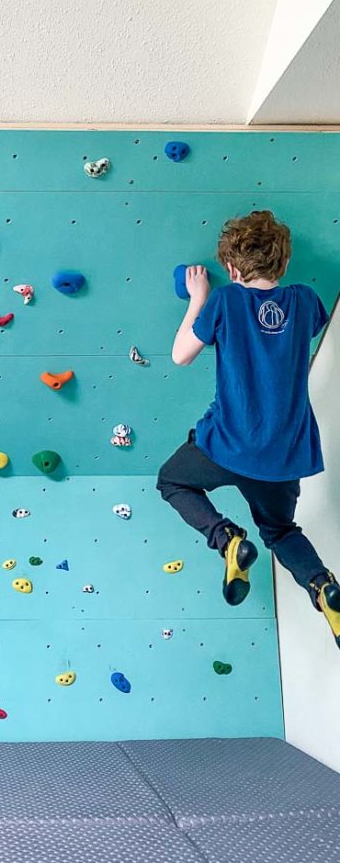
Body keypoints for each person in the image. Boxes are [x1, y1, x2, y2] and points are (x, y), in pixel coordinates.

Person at [156, 209, 340, 648]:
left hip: (228, 447)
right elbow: (302, 328)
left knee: (172, 481)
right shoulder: (305, 300)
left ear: (232, 269)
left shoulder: (225, 301)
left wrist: (198, 296)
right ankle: (322, 586)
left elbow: (180, 355)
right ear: (284, 264)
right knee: (280, 531)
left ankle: (226, 539)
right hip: (285, 457)